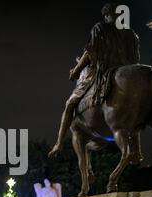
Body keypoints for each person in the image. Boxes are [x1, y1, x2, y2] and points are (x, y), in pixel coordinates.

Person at [48, 3, 141, 162]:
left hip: (103, 72)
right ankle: (137, 148)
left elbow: (90, 51)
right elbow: (136, 59)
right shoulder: (130, 34)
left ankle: (59, 143)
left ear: (106, 15)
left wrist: (76, 70)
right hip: (128, 72)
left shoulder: (100, 28)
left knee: (70, 104)